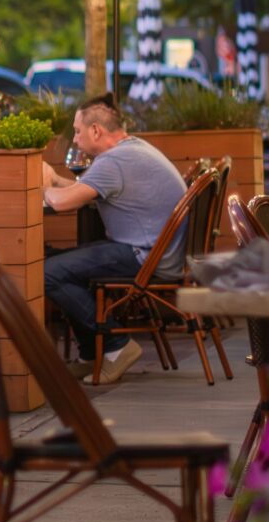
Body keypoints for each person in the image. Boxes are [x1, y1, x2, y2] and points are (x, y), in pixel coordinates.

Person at [40, 94, 188, 385]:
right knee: (56, 262)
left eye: (78, 131)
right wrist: (58, 182)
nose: (76, 139)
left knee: (46, 272)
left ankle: (114, 346)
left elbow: (61, 204)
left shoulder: (114, 161)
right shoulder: (132, 149)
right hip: (156, 250)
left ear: (96, 130)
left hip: (144, 257)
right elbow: (90, 190)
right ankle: (90, 354)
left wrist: (44, 182)